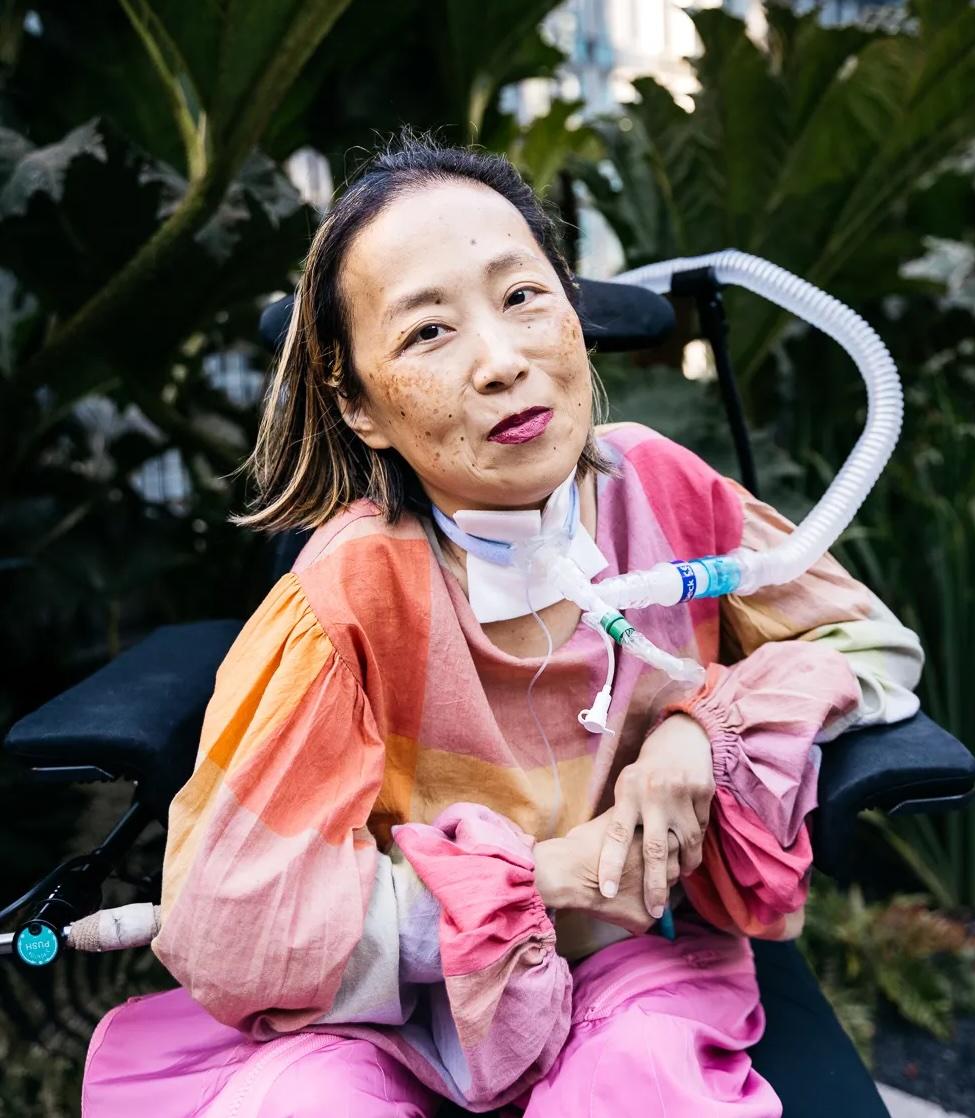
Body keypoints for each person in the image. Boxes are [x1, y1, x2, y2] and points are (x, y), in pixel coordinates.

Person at [81, 132, 923, 1117]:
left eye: (523, 296)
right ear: (359, 405)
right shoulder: (347, 596)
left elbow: (868, 646)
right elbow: (233, 918)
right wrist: (538, 878)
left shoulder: (661, 490)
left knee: (640, 1081)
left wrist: (704, 731)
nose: (501, 360)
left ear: (572, 311)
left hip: (632, 962)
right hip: (400, 1003)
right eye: (428, 332)